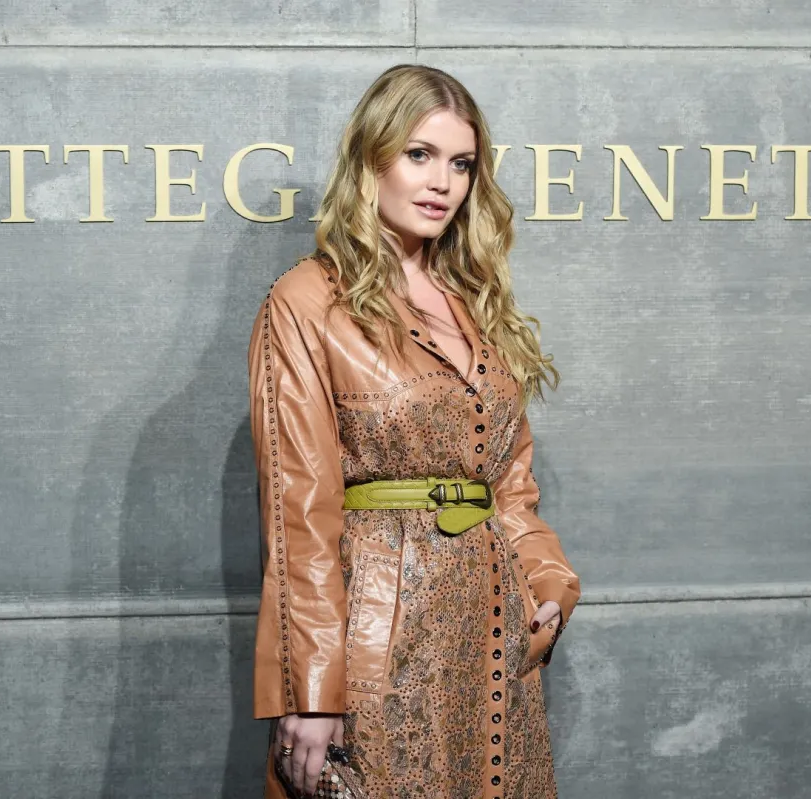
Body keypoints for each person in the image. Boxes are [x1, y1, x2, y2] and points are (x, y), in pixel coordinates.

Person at [246, 64, 581, 798]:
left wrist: (548, 581)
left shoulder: (474, 301)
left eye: (461, 163)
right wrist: (311, 687)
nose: (443, 182)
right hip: (378, 644)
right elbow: (297, 514)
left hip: (493, 644)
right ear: (372, 159)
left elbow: (510, 483)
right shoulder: (307, 299)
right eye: (419, 155)